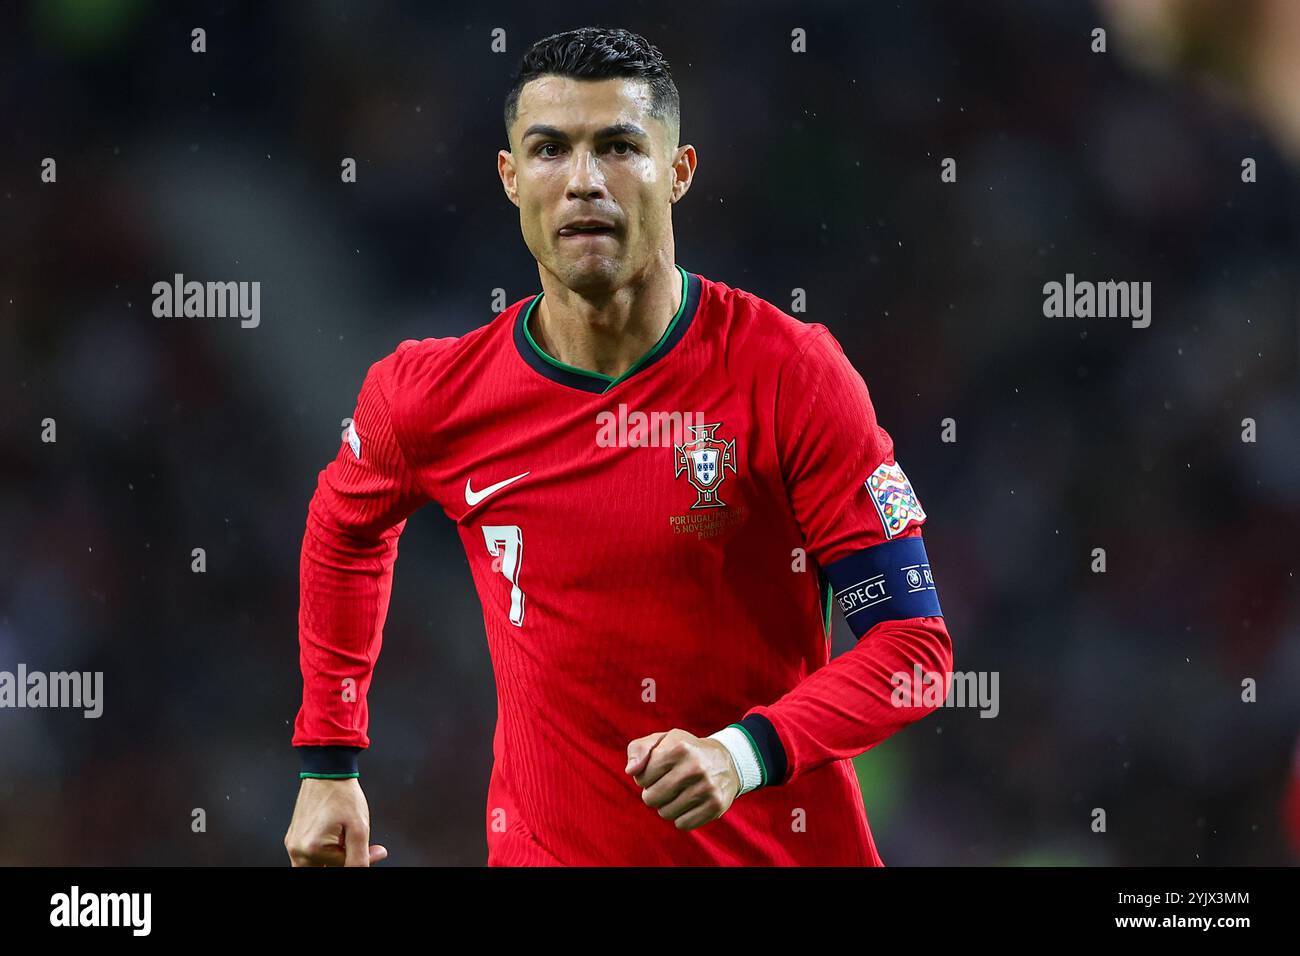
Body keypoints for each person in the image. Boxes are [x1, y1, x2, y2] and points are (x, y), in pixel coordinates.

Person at [284, 25, 952, 866]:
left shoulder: (790, 375)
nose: (584, 182)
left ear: (679, 173)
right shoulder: (430, 395)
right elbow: (344, 529)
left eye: (619, 146)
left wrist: (739, 755)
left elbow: (915, 653)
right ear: (510, 177)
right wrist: (328, 761)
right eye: (551, 150)